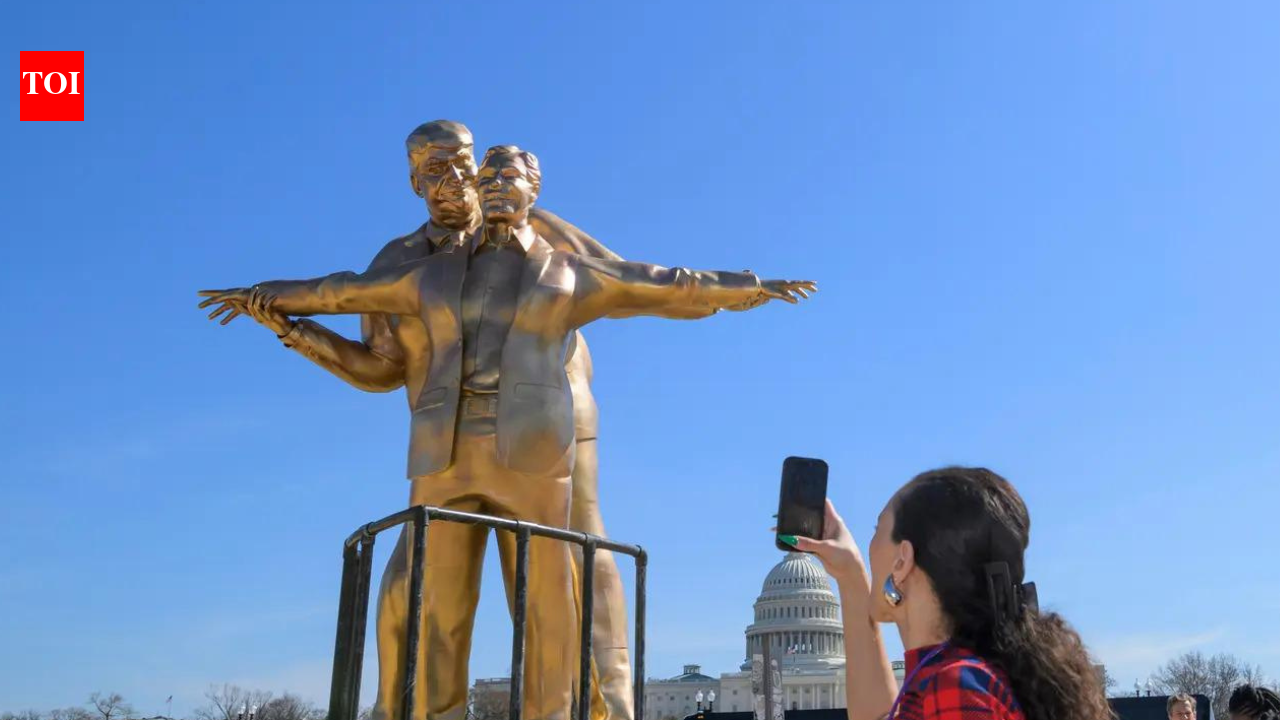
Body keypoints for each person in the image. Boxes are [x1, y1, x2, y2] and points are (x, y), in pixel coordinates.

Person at [202, 144, 815, 720]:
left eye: (501, 177)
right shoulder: (427, 273)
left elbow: (662, 282)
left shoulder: (567, 270)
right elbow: (339, 291)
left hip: (534, 454)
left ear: (533, 190)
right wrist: (267, 302)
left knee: (551, 606)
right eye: (484, 178)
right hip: (446, 452)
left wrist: (749, 286)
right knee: (429, 605)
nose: (487, 187)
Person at [222, 119, 636, 720]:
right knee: (409, 597)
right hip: (448, 448)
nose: (450, 184)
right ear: (414, 182)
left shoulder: (531, 227)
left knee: (561, 580)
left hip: (548, 432)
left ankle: (597, 711)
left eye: (459, 167)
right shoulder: (401, 259)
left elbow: (619, 282)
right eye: (431, 173)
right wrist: (294, 331)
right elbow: (381, 369)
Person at [785, 466, 1109, 720]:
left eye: (877, 529)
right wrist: (851, 578)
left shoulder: (953, 684)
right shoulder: (955, 674)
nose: (868, 545)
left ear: (903, 560)